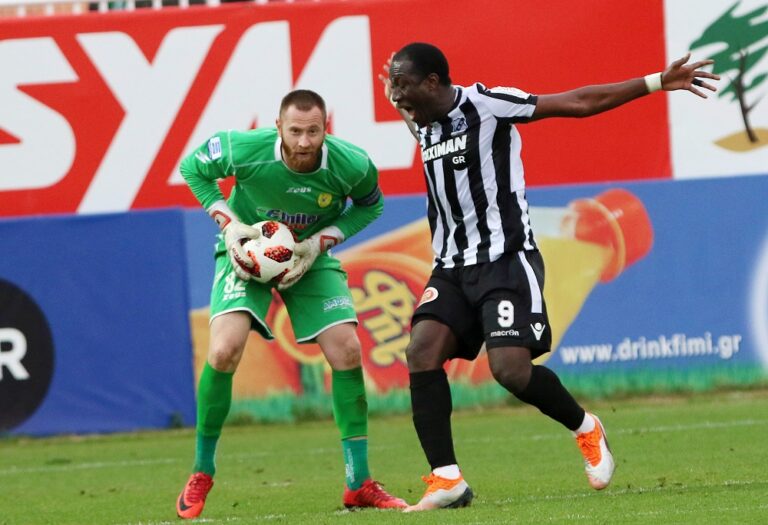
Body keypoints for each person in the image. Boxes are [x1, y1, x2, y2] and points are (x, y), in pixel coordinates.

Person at [378, 42, 719, 512]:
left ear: (433, 82)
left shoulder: (487, 104)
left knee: (510, 371)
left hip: (504, 260)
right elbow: (418, 123)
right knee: (421, 351)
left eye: (404, 85)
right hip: (451, 266)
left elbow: (577, 102)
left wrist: (656, 81)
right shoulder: (425, 123)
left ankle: (586, 427)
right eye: (394, 86)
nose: (396, 94)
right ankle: (446, 478)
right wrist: (400, 93)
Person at [175, 89, 407, 519]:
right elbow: (193, 168)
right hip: (247, 252)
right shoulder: (243, 148)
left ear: (326, 129)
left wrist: (319, 243)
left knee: (347, 349)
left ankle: (359, 483)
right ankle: (202, 471)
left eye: (313, 132)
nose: (304, 142)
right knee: (224, 350)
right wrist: (229, 224)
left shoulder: (353, 164)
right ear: (278, 127)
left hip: (307, 256)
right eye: (295, 131)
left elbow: (370, 207)